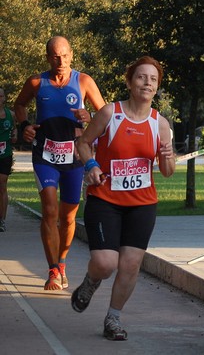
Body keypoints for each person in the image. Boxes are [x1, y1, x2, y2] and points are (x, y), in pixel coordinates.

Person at [71, 56, 175, 341]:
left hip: (142, 204)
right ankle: (91, 281)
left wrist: (168, 158)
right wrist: (90, 165)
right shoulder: (109, 113)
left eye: (153, 79)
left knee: (130, 264)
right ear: (130, 82)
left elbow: (166, 172)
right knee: (106, 263)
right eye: (142, 77)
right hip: (105, 199)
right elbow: (83, 143)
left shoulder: (160, 124)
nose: (147, 83)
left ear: (157, 87)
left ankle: (113, 319)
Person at [14, 36, 106, 290]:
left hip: (75, 156)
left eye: (65, 55)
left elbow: (106, 115)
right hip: (45, 153)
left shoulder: (84, 81)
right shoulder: (36, 82)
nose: (61, 61)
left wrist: (90, 117)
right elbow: (19, 104)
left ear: (72, 55)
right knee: (50, 210)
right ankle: (53, 270)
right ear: (47, 57)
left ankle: (62, 262)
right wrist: (24, 126)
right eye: (55, 56)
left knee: (67, 217)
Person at [0, 88, 17, 232]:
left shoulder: (11, 115)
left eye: (0, 96)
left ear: (4, 98)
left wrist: (14, 135)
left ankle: (2, 220)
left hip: (5, 155)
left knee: (2, 186)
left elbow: (15, 129)